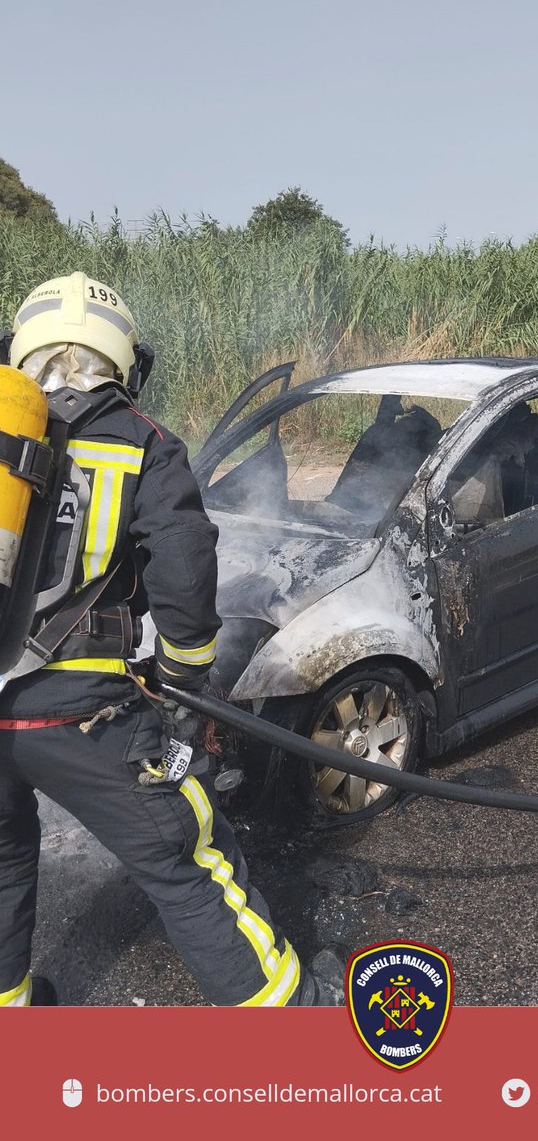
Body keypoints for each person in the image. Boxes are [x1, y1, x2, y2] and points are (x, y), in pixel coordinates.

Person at [0, 271, 342, 1007]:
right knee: (187, 859)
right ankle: (294, 1020)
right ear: (123, 360)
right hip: (77, 712)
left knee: (0, 860)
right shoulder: (141, 441)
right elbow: (183, 573)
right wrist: (184, 681)